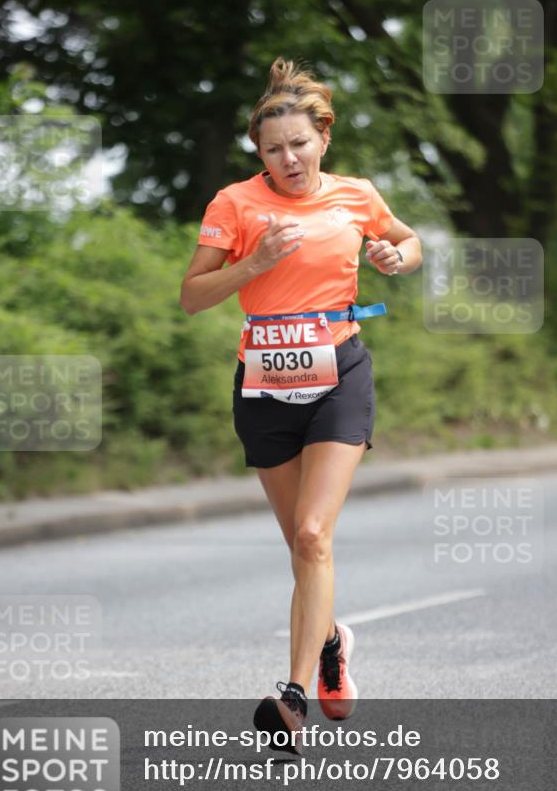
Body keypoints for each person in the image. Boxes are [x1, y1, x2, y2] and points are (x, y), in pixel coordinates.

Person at [180, 57, 422, 748]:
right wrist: (253, 264)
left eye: (298, 144)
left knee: (314, 534)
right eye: (272, 149)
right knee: (299, 547)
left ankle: (291, 697)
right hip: (263, 385)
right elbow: (191, 297)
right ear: (258, 153)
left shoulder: (355, 195)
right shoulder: (234, 204)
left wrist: (395, 258)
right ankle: (329, 646)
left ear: (323, 138)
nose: (287, 158)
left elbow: (406, 240)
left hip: (339, 375)